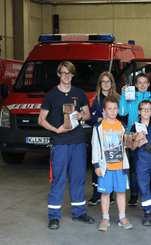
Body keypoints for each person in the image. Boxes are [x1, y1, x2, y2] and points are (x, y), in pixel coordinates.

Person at [38, 61, 95, 230]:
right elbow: (41, 120)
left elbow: (88, 115)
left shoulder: (79, 93)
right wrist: (56, 130)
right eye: (63, 73)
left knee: (78, 179)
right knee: (58, 180)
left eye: (69, 74)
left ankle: (79, 212)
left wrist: (80, 116)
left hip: (77, 142)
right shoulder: (50, 95)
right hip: (60, 144)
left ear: (73, 75)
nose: (66, 76)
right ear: (58, 74)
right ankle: (54, 216)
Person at [119, 73, 151, 206]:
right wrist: (123, 95)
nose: (142, 85)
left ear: (149, 84)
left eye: (145, 82)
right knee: (134, 167)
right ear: (135, 84)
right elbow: (122, 112)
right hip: (133, 136)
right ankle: (134, 195)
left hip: (150, 136)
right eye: (139, 82)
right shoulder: (130, 95)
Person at [91, 96, 133, 231]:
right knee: (105, 193)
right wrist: (96, 165)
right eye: (109, 108)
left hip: (120, 166)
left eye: (115, 108)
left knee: (121, 192)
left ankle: (122, 217)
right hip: (106, 168)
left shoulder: (122, 125)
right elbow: (95, 146)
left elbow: (127, 145)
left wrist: (135, 139)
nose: (113, 111)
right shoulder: (98, 127)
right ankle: (105, 218)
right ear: (104, 110)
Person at [88, 71, 118, 206]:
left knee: (111, 163)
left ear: (112, 83)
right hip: (99, 135)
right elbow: (89, 118)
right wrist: (98, 119)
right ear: (100, 84)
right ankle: (96, 194)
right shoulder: (95, 99)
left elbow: (122, 115)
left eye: (108, 81)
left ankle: (110, 194)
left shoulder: (118, 98)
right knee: (97, 162)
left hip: (113, 136)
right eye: (103, 82)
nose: (106, 84)